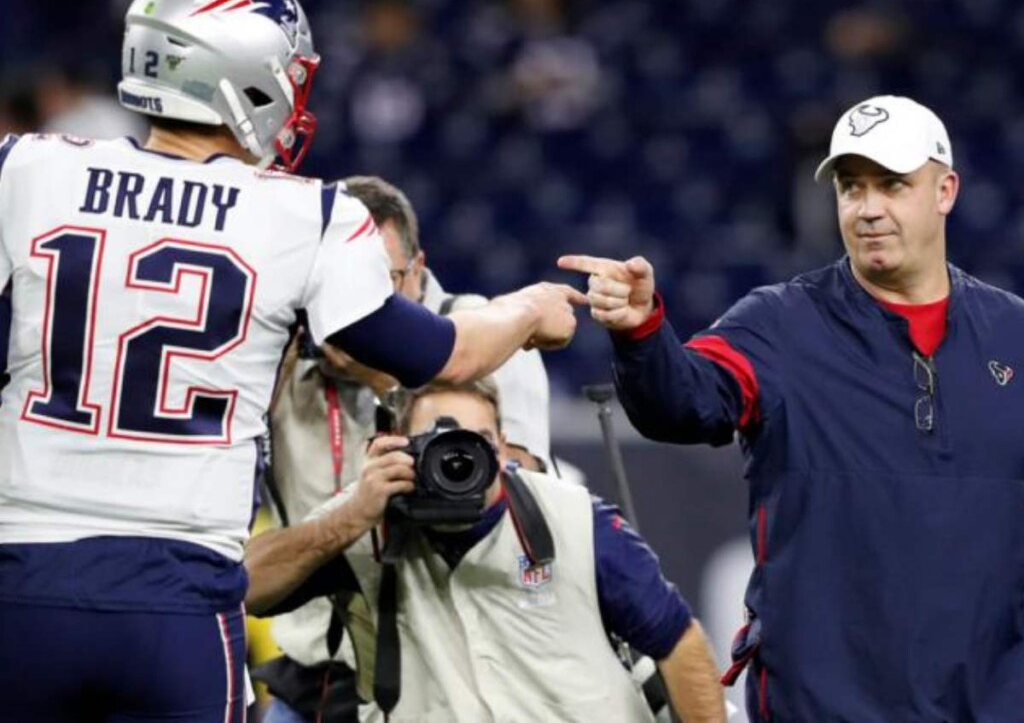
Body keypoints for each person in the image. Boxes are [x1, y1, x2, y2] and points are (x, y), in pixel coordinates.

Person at [0, 0, 583, 722]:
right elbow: (444, 353)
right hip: (177, 590)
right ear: (241, 75)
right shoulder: (302, 215)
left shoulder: (27, 169)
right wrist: (530, 309)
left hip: (22, 579)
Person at [559, 94, 1024, 721]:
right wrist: (643, 332)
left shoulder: (1011, 335)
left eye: (892, 185)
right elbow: (686, 403)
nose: (868, 208)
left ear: (945, 190)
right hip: (822, 702)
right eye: (851, 187)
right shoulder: (781, 324)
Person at [245, 377, 726, 723]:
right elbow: (247, 587)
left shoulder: (576, 519)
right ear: (396, 447)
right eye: (434, 446)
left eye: (474, 444)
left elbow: (678, 642)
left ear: (501, 447)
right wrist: (350, 516)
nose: (455, 462)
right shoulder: (364, 523)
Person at [260, 175, 552, 722]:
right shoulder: (286, 353)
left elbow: (523, 494)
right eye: (337, 282)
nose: (357, 303)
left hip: (456, 660)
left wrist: (385, 375)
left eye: (381, 279)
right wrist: (272, 357)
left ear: (418, 271)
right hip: (319, 666)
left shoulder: (489, 337)